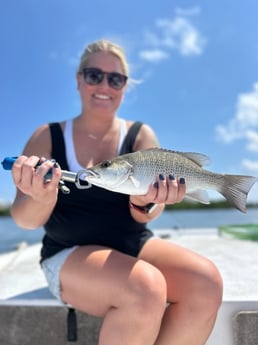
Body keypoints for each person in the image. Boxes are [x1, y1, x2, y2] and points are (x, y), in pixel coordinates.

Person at [10, 39, 222, 345]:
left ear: (124, 86)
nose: (104, 85)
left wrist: (142, 202)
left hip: (132, 244)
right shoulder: (47, 136)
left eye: (116, 79)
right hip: (67, 252)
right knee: (145, 288)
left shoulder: (140, 135)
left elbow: (149, 212)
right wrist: (42, 197)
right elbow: (24, 219)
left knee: (206, 282)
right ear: (79, 79)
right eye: (94, 75)